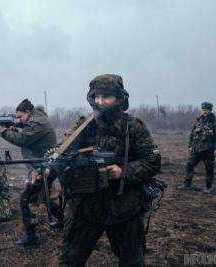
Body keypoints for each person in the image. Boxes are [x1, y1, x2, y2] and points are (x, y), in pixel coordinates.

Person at [58, 74, 161, 266]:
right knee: (70, 260)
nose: (100, 101)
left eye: (105, 96)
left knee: (132, 261)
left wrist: (124, 171)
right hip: (87, 206)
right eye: (95, 96)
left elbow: (153, 161)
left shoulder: (133, 127)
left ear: (118, 98)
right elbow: (63, 152)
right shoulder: (84, 125)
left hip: (125, 208)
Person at [0, 99, 61, 247]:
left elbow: (23, 139)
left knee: (26, 199)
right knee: (44, 198)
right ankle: (63, 225)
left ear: (27, 112)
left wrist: (4, 131)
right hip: (43, 165)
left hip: (45, 166)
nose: (18, 120)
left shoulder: (38, 123)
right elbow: (24, 131)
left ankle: (31, 237)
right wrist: (11, 127)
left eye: (20, 117)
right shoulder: (35, 119)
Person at [179, 102, 216, 194]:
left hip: (208, 150)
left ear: (210, 110)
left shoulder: (215, 122)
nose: (205, 112)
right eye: (204, 110)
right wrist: (190, 146)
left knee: (209, 168)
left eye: (207, 110)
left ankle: (208, 187)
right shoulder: (199, 121)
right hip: (197, 149)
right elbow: (192, 134)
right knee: (189, 165)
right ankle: (187, 184)